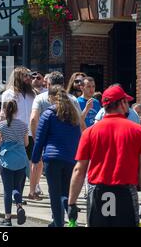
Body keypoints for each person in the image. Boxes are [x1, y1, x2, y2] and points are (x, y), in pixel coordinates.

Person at [68, 85, 141, 227]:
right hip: (125, 193)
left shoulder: (89, 132)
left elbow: (79, 169)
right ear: (121, 103)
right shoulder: (138, 131)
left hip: (98, 192)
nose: (128, 105)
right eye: (126, 101)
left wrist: (72, 202)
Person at [28, 71, 84, 200]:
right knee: (66, 184)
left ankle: (33, 191)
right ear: (63, 84)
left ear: (48, 84)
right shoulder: (73, 99)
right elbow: (80, 123)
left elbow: (33, 120)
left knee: (52, 184)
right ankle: (68, 206)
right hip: (70, 149)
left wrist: (38, 140)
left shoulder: (40, 98)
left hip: (50, 148)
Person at [32, 85, 82, 227]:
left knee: (55, 194)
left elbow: (40, 138)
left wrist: (35, 159)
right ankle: (72, 220)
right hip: (70, 159)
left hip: (53, 159)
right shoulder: (73, 116)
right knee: (66, 192)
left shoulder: (48, 114)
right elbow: (78, 138)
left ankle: (59, 224)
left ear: (51, 98)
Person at [0, 100, 29, 226]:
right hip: (20, 159)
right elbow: (26, 143)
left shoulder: (2, 125)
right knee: (17, 187)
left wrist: (4, 143)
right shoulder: (23, 125)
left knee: (7, 190)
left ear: (4, 110)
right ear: (16, 110)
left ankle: (7, 218)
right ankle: (19, 206)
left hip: (7, 159)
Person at [0, 67, 35, 160]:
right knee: (15, 162)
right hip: (14, 133)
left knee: (29, 161)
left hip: (30, 133)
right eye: (25, 76)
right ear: (18, 77)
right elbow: (3, 115)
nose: (29, 78)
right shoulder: (8, 94)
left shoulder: (33, 94)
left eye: (30, 75)